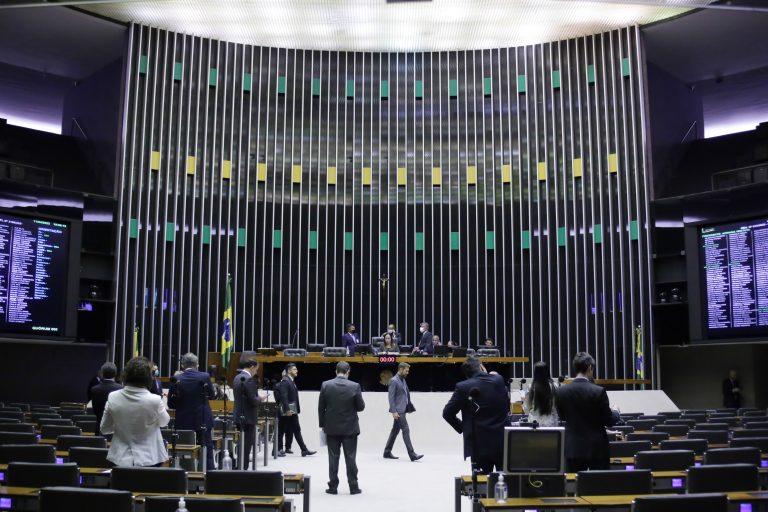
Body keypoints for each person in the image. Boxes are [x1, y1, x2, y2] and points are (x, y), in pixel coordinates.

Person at [442, 356, 509, 474]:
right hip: (501, 441)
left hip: (478, 444)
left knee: (480, 481)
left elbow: (447, 413)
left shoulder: (463, 387)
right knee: (505, 480)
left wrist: (463, 427)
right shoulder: (499, 380)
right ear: (481, 367)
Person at [555, 352, 619, 473]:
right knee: (598, 482)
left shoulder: (560, 392)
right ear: (590, 367)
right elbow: (609, 420)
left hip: (573, 447)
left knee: (573, 482)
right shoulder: (598, 391)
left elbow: (562, 416)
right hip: (597, 449)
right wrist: (616, 411)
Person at [100, 356, 170, 467]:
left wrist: (121, 425)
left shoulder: (113, 397)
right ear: (148, 378)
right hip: (150, 458)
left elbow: (105, 429)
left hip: (120, 457)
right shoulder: (155, 400)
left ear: (125, 376)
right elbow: (164, 423)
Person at [318, 361, 365, 495]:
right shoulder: (355, 386)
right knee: (350, 458)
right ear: (348, 372)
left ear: (336, 371)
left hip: (331, 428)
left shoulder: (326, 385)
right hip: (350, 428)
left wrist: (322, 425)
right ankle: (353, 487)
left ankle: (333, 487)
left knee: (333, 458)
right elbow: (361, 407)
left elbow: (321, 408)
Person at [167, 352, 216, 470]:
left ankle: (184, 473)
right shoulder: (204, 376)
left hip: (183, 420)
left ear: (182, 365)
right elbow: (212, 395)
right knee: (206, 448)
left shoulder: (176, 379)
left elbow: (170, 403)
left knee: (184, 449)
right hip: (202, 418)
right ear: (197, 364)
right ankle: (208, 473)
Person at [383, 362, 423, 461]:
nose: (407, 373)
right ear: (401, 369)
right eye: (406, 371)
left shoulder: (402, 379)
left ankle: (387, 452)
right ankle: (412, 454)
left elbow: (405, 394)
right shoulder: (393, 381)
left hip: (402, 409)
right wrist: (393, 411)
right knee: (406, 429)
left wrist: (409, 406)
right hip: (398, 411)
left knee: (395, 431)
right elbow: (391, 398)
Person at [275, 363, 316, 457]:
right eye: (294, 369)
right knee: (281, 431)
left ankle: (304, 450)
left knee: (296, 430)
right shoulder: (286, 381)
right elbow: (283, 396)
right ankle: (277, 450)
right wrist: (287, 409)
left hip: (292, 410)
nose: (297, 371)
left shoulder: (291, 381)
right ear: (289, 371)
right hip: (287, 410)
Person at [233, 351, 261, 469]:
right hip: (248, 417)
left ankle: (239, 466)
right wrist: (260, 399)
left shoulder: (237, 377)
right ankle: (243, 468)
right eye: (256, 369)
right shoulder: (249, 379)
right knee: (246, 445)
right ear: (252, 367)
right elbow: (253, 400)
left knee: (241, 444)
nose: (256, 372)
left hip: (239, 415)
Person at [90, 362, 122, 437]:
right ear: (115, 374)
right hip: (116, 429)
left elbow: (95, 410)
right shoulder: (121, 389)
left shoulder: (94, 389)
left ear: (102, 373)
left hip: (99, 427)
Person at [523, 361, 559, 427]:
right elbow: (556, 407)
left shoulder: (531, 387)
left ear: (535, 373)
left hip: (534, 423)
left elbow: (526, 409)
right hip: (551, 423)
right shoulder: (555, 386)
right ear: (547, 372)